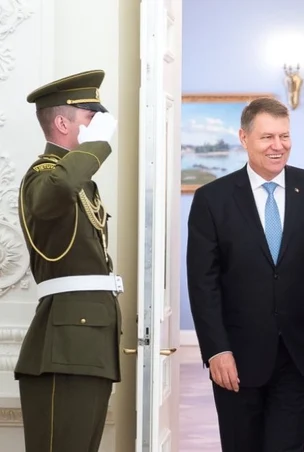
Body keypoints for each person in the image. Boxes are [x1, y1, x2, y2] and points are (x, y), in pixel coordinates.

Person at [186, 97, 304, 451]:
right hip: (237, 359)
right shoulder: (213, 199)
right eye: (267, 137)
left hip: (301, 354)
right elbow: (203, 283)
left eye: (284, 136)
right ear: (244, 138)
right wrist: (216, 350)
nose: (278, 146)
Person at [14, 69, 122, 452]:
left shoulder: (80, 183)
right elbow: (58, 188)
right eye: (90, 119)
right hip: (65, 345)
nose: (101, 129)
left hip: (85, 342)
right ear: (62, 122)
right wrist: (94, 148)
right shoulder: (44, 178)